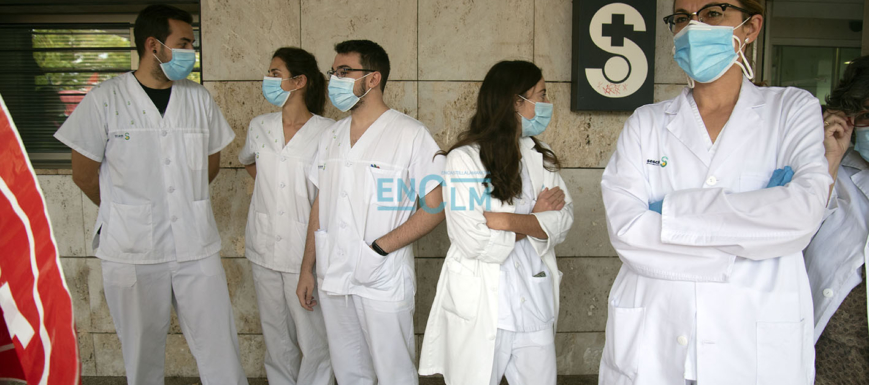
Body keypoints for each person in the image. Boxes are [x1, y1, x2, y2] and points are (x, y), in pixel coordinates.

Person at [599, 1, 831, 384]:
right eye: (681, 18)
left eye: (712, 13)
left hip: (751, 345)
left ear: (751, 28)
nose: (693, 28)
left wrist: (667, 212)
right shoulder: (647, 123)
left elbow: (802, 214)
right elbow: (626, 230)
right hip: (656, 338)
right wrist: (752, 230)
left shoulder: (791, 109)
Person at [53, 5, 247, 384]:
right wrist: (126, 211)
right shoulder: (105, 99)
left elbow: (210, 165)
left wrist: (180, 204)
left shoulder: (198, 99)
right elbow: (83, 173)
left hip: (195, 246)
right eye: (184, 43)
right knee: (141, 354)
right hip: (132, 249)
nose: (192, 51)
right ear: (153, 45)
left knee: (220, 347)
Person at [295, 39, 445, 385]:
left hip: (382, 276)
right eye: (334, 72)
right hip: (333, 273)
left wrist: (380, 248)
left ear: (373, 79)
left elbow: (436, 207)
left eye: (344, 71)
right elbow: (321, 202)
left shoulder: (411, 135)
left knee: (394, 374)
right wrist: (307, 268)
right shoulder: (330, 136)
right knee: (349, 373)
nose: (335, 79)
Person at [418, 60, 574, 385]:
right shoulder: (464, 160)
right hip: (483, 306)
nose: (546, 104)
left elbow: (562, 220)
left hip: (533, 301)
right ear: (516, 102)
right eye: (541, 95)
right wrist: (533, 219)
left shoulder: (539, 155)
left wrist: (505, 220)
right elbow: (473, 240)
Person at [239, 47, 334, 385]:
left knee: (314, 339)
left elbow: (330, 193)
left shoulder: (328, 132)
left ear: (299, 81)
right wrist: (276, 190)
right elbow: (250, 161)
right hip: (263, 245)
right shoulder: (259, 126)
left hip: (304, 251)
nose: (268, 79)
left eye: (275, 73)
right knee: (276, 335)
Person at [804, 55, 869, 384]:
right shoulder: (831, 166)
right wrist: (830, 157)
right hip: (831, 352)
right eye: (867, 115)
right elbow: (796, 231)